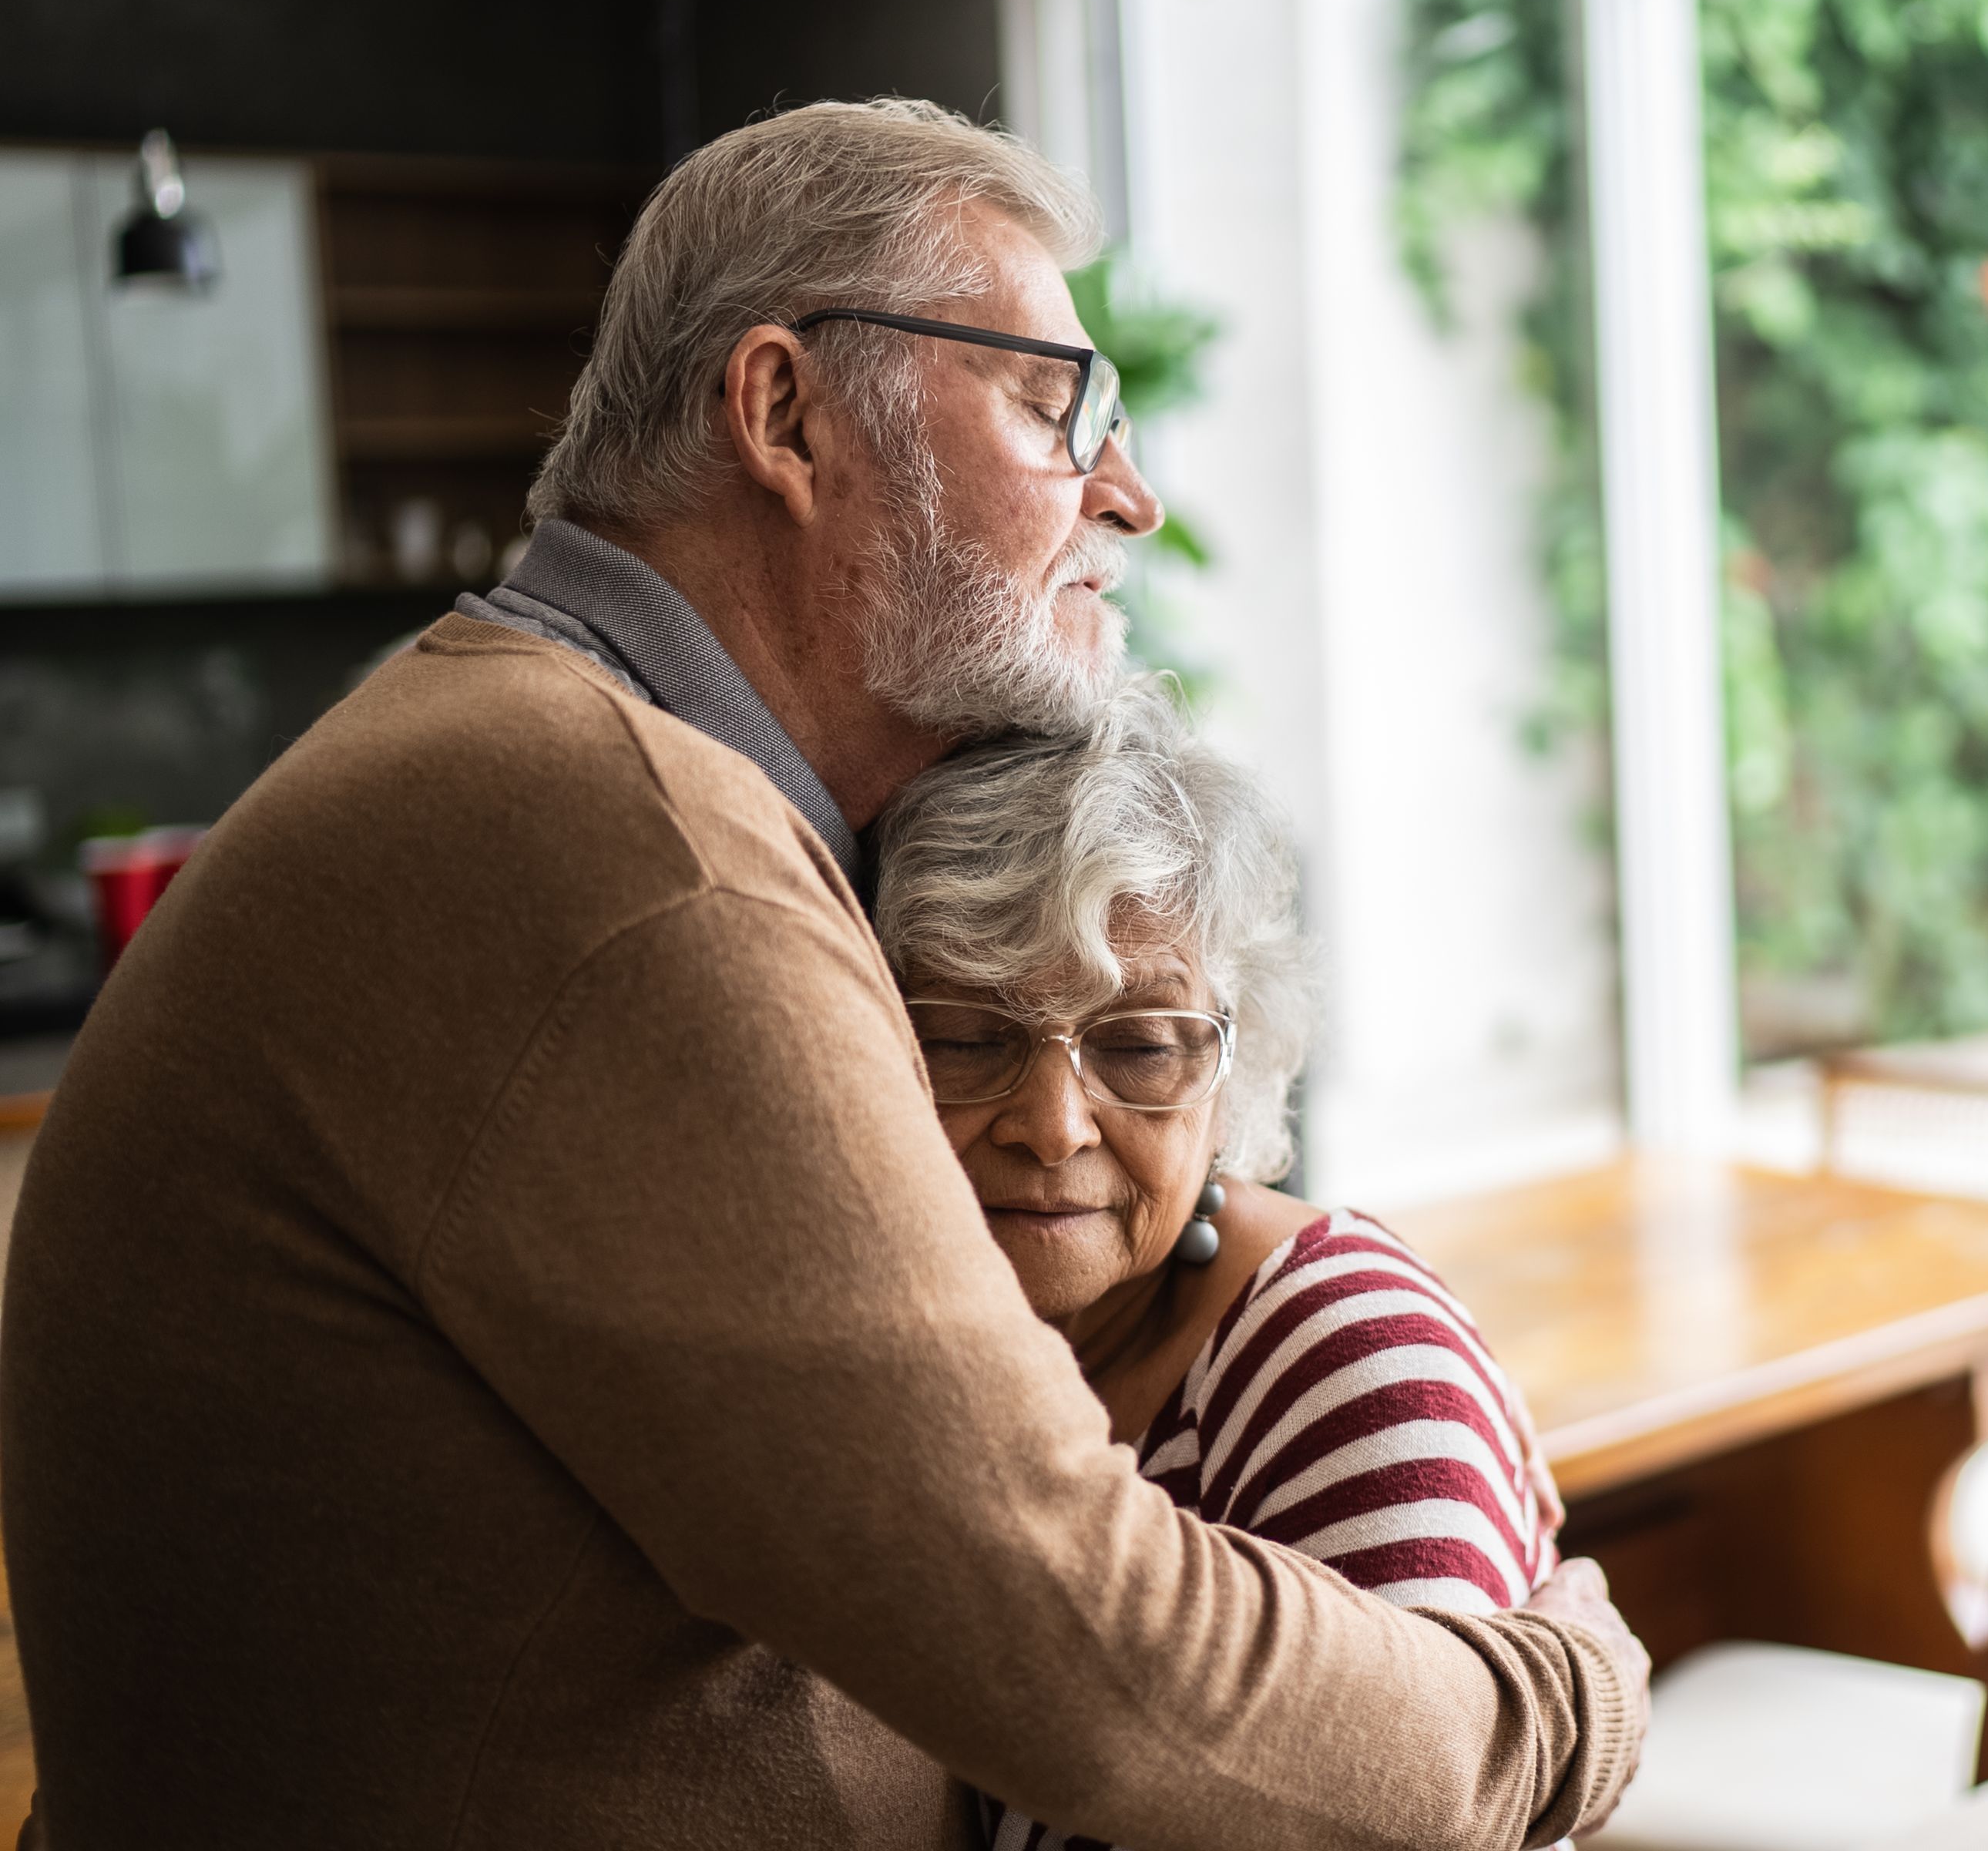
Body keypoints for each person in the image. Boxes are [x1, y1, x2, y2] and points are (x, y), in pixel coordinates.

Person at [0, 100, 1643, 1847]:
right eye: (1049, 401)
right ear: (783, 413)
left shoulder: (539, 761)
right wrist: (1554, 1705)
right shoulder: (629, 847)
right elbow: (1081, 1638)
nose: (1129, 493)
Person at [872, 684, 1569, 1851]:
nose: (1053, 1125)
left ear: (1233, 1070)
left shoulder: (1349, 1356)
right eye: (967, 1037)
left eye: (1141, 1044)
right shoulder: (907, 1349)